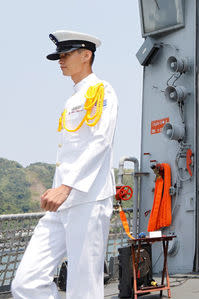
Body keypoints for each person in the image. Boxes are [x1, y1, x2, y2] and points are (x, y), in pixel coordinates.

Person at [11, 30, 118, 299]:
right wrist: (58, 188)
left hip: (87, 199)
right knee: (26, 283)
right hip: (61, 203)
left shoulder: (102, 91)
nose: (60, 60)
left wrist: (67, 186)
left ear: (86, 55)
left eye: (66, 54)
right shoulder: (73, 99)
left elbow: (99, 142)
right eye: (59, 55)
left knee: (83, 288)